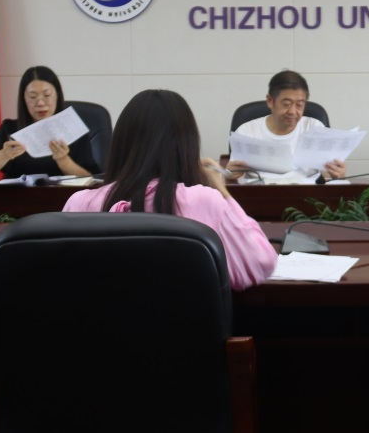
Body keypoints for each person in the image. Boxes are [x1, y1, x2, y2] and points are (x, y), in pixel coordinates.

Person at [63, 89, 278, 293]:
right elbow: (260, 261)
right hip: (188, 321)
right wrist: (221, 190)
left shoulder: (79, 204)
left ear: (120, 143)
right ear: (186, 145)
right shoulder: (205, 200)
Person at [0, 66, 97, 179]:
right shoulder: (10, 129)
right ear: (24, 98)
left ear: (57, 95)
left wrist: (64, 161)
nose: (40, 103)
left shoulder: (74, 130)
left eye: (47, 95)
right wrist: (4, 154)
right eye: (32, 97)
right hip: (18, 195)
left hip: (64, 195)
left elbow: (90, 179)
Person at [230, 70, 347, 180]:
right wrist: (230, 174)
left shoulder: (315, 128)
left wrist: (335, 174)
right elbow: (236, 178)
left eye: (299, 105)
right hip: (260, 193)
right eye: (286, 104)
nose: (292, 111)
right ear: (270, 100)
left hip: (306, 193)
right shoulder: (247, 132)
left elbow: (327, 176)